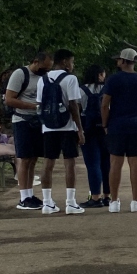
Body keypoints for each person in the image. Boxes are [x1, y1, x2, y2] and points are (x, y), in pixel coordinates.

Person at [102, 47, 137, 213]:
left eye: (119, 59)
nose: (117, 62)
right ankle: (135, 201)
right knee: (135, 163)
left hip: (116, 125)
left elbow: (105, 105)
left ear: (123, 61)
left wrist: (105, 124)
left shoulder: (113, 80)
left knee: (115, 163)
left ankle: (114, 202)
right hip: (136, 125)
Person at [37, 49, 87, 216]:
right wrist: (80, 129)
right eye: (72, 62)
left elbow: (40, 104)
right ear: (65, 62)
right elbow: (73, 105)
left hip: (48, 127)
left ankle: (47, 202)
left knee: (48, 163)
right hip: (67, 126)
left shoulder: (43, 79)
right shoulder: (70, 79)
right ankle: (70, 202)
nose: (72, 65)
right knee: (69, 163)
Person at [4, 50, 51, 210]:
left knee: (33, 158)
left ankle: (30, 194)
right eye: (44, 67)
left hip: (38, 121)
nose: (46, 70)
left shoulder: (44, 76)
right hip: (22, 120)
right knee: (24, 158)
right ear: (36, 62)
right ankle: (23, 197)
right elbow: (9, 99)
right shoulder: (20, 74)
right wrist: (32, 107)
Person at [78, 64, 110, 209]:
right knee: (106, 164)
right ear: (99, 75)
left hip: (88, 128)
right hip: (105, 128)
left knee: (93, 164)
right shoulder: (107, 89)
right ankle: (108, 196)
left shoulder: (81, 90)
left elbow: (77, 109)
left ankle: (95, 197)